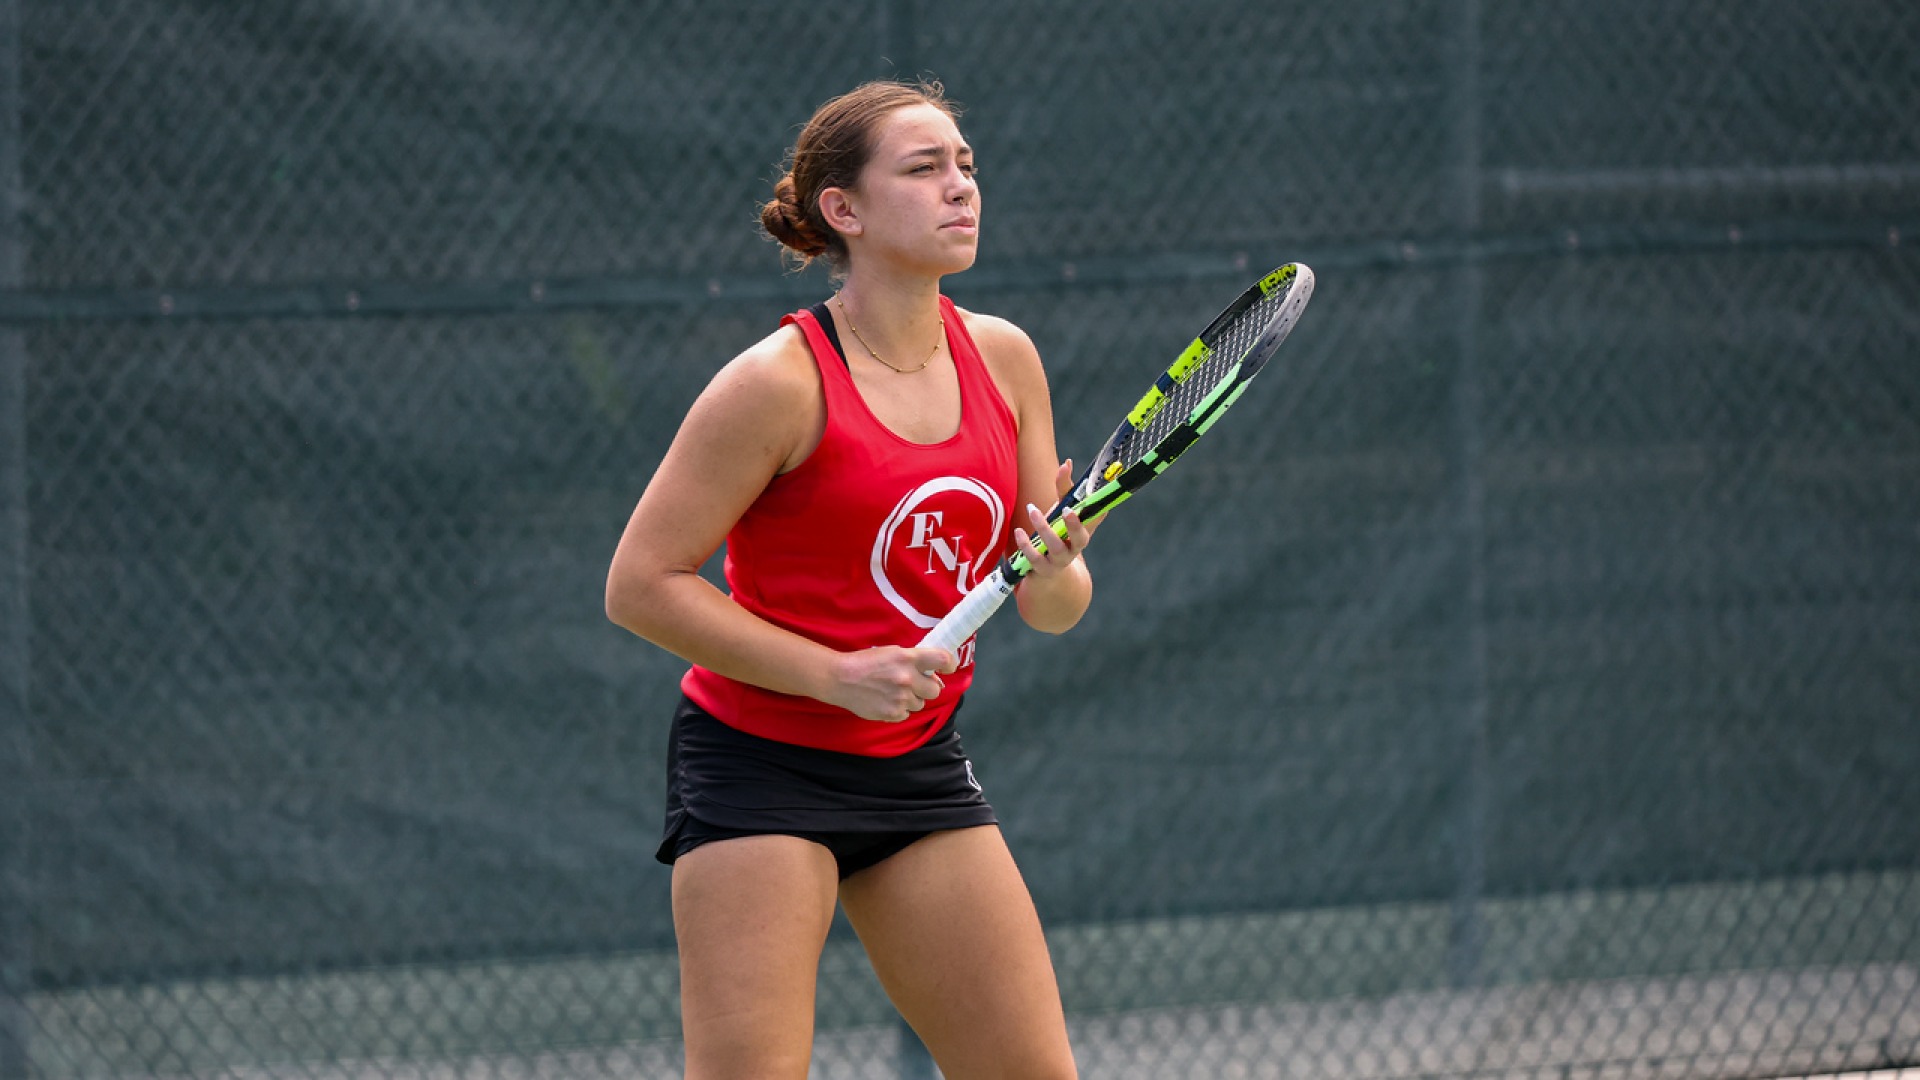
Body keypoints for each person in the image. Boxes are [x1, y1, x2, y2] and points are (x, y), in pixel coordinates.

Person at [605, 78, 1090, 1080]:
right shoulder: (774, 383)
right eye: (924, 168)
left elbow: (1051, 610)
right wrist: (834, 675)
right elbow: (642, 583)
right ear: (845, 210)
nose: (962, 188)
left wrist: (1057, 568)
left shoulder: (1005, 359)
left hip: (916, 763)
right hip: (759, 768)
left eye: (966, 165)